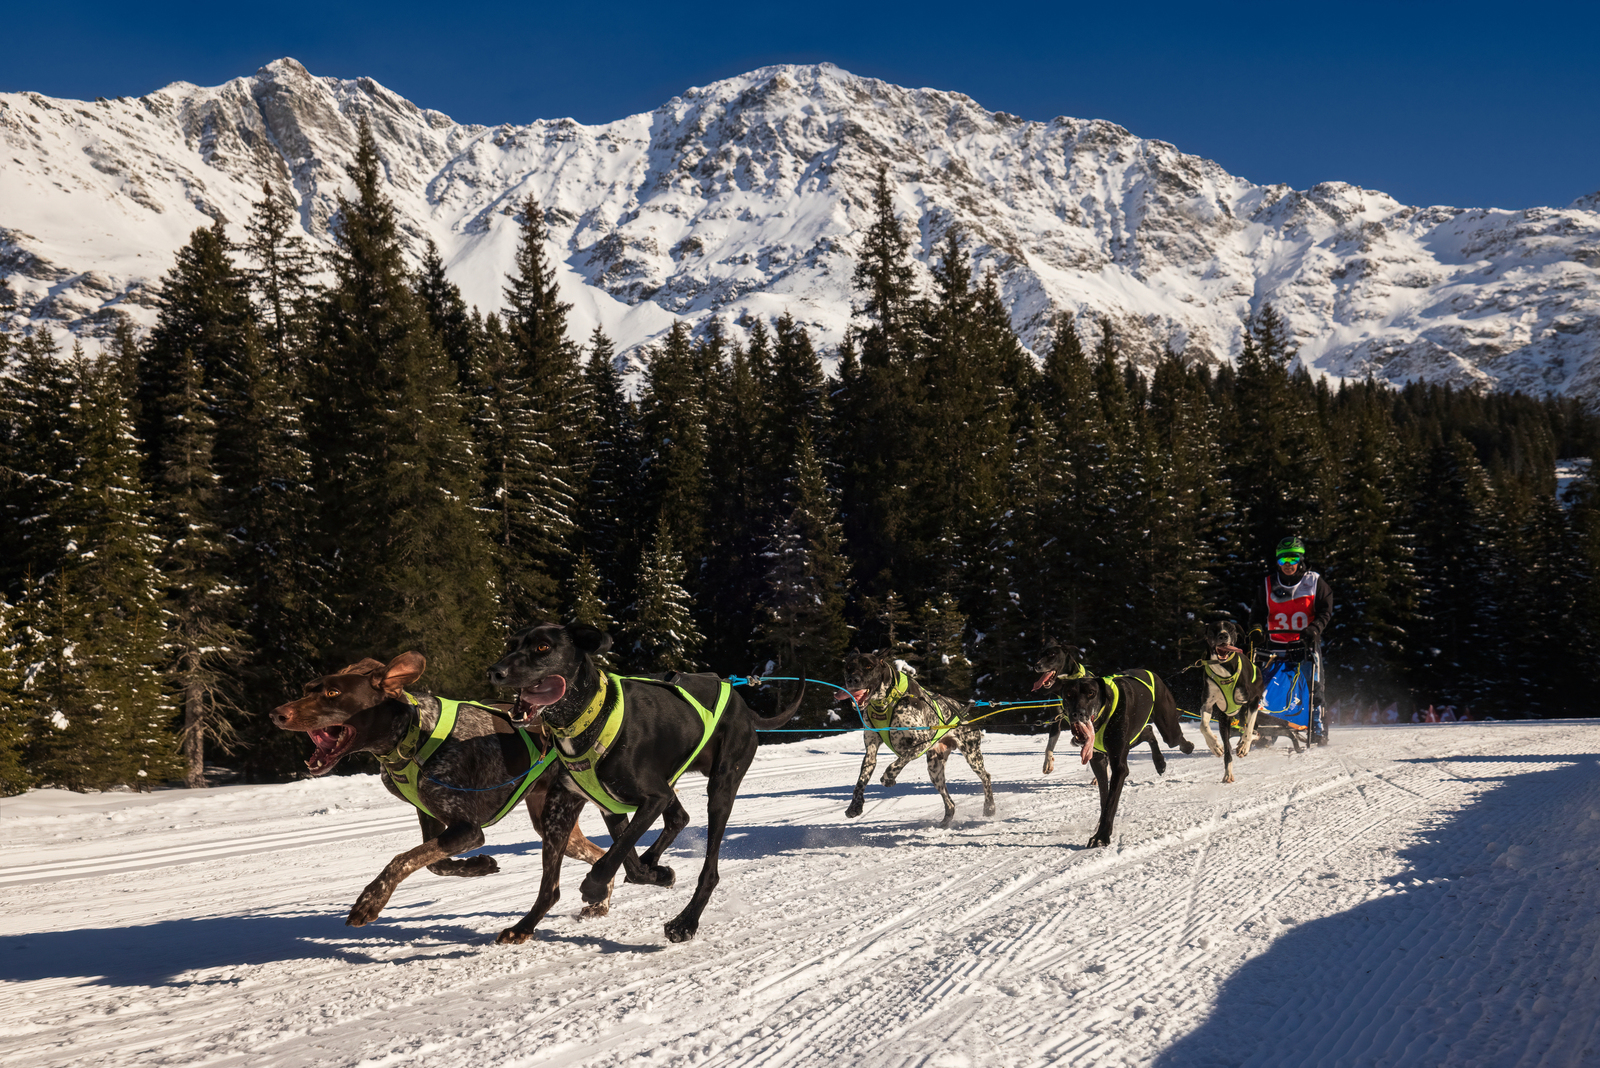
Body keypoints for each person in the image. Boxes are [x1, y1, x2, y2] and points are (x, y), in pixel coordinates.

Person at [1249, 535, 1334, 745]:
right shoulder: (1268, 584)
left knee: (1312, 685)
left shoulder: (1314, 582)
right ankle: (1268, 730)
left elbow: (1325, 610)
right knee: (1268, 688)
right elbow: (1257, 613)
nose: (1288, 565)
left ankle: (1317, 727)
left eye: (1293, 560)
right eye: (1283, 561)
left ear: (1301, 560)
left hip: (1304, 645)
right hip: (1274, 646)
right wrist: (1257, 629)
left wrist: (1315, 629)